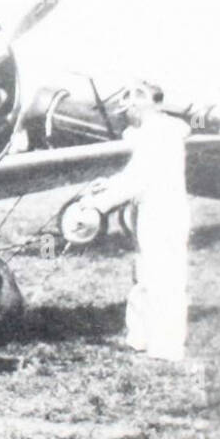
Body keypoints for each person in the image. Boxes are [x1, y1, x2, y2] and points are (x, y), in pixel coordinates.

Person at [82, 82, 191, 361]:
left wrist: (98, 204)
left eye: (130, 103)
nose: (127, 110)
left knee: (163, 279)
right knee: (145, 274)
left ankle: (166, 347)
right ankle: (140, 338)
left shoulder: (157, 134)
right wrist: (107, 184)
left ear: (144, 104)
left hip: (162, 213)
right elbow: (135, 175)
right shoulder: (160, 131)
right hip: (155, 210)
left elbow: (138, 180)